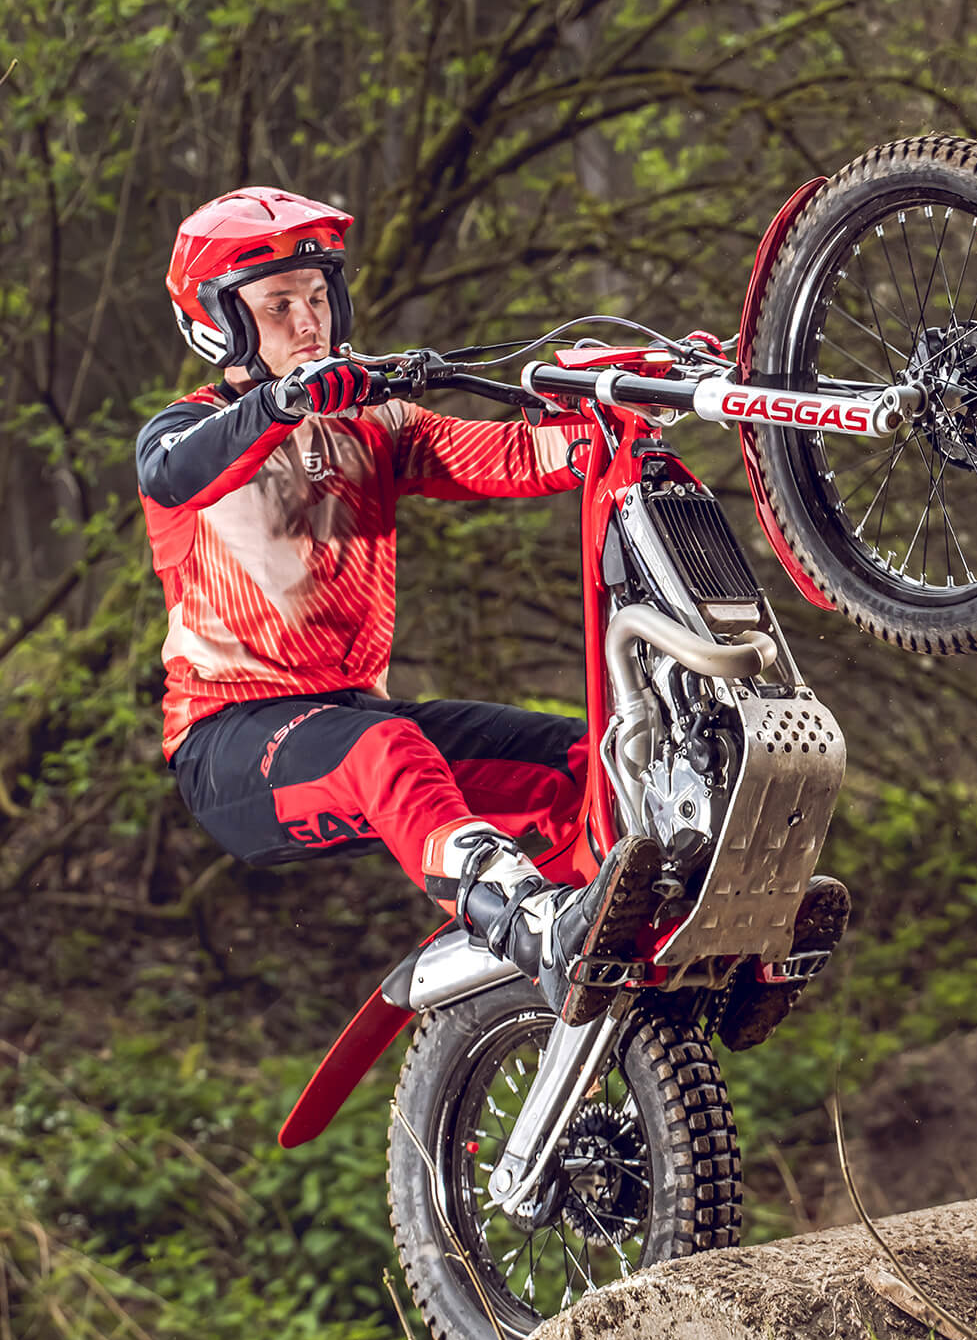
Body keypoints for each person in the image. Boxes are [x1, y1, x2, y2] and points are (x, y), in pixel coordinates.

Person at [139, 184, 846, 1041]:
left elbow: (503, 453)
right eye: (278, 305)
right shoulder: (183, 433)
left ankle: (694, 932)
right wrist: (285, 402)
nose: (308, 319)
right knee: (384, 748)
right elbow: (177, 472)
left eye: (319, 296)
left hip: (351, 715)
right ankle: (534, 923)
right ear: (220, 322)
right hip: (230, 745)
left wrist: (607, 420)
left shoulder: (372, 422)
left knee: (587, 765)